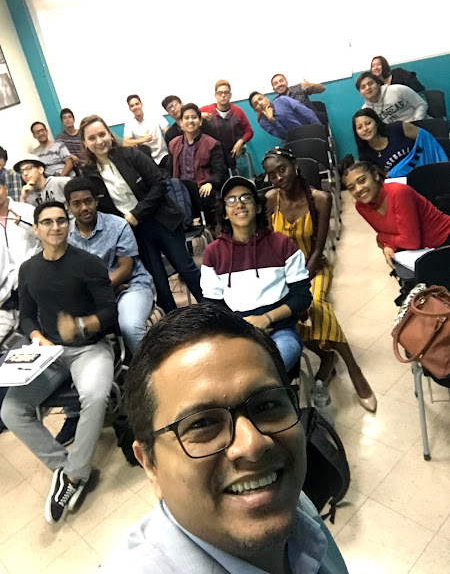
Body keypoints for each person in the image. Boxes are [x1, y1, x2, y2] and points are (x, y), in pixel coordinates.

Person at [105, 303, 349, 573]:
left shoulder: (284, 499)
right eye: (202, 423)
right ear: (150, 464)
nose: (253, 444)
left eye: (267, 405)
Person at [0, 200, 117, 525]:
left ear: (68, 225)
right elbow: (26, 316)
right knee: (11, 411)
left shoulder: (88, 263)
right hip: (49, 353)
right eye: (47, 222)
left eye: (61, 221)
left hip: (90, 348)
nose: (55, 227)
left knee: (95, 396)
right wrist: (37, 335)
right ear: (36, 229)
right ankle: (66, 467)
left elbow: (110, 312)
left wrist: (80, 325)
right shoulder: (29, 269)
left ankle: (75, 477)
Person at [264, 147, 376, 411]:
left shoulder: (320, 199)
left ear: (295, 165)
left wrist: (300, 284)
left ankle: (354, 369)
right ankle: (326, 358)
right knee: (287, 317)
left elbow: (317, 250)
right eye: (272, 175)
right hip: (282, 274)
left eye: (282, 169)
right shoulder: (270, 199)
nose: (279, 178)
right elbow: (268, 245)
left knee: (315, 305)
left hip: (313, 268)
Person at [56, 177, 155, 447]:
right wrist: (94, 293)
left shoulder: (117, 225)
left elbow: (125, 267)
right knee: (63, 332)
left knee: (130, 325)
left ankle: (155, 379)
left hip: (129, 287)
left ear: (96, 200)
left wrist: (100, 289)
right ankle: (74, 412)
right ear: (69, 206)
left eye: (88, 201)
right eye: (77, 204)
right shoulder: (66, 236)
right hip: (93, 296)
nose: (84, 208)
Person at [79, 114, 203, 314]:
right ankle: (174, 322)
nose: (99, 141)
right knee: (157, 278)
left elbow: (159, 184)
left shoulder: (131, 155)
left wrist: (137, 213)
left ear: (110, 134)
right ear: (85, 143)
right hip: (133, 232)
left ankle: (213, 311)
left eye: (102, 134)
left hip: (161, 218)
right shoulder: (88, 173)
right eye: (92, 138)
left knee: (185, 267)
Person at [201, 176, 311, 372]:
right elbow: (212, 305)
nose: (239, 204)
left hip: (280, 329)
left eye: (246, 197)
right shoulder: (213, 253)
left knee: (275, 360)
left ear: (258, 207)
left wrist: (266, 318)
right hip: (237, 333)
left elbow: (302, 297)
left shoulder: (282, 244)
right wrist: (244, 328)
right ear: (224, 213)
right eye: (231, 200)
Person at [343, 161, 450, 271]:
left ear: (375, 175)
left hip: (444, 240)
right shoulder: (361, 207)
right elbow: (392, 233)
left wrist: (381, 238)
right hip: (420, 252)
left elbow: (411, 242)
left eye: (362, 180)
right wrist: (390, 245)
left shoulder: (399, 192)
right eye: (351, 187)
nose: (358, 189)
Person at [169, 103, 228, 225]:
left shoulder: (212, 144)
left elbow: (219, 171)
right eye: (186, 118)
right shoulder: (173, 144)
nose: (190, 121)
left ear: (200, 121)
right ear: (181, 123)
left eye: (194, 117)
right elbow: (169, 170)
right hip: (180, 190)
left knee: (209, 197)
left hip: (202, 188)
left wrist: (210, 183)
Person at [0, 175, 41, 342]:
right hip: (5, 291)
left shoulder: (25, 210)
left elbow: (45, 235)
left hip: (32, 281)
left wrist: (22, 223)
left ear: (5, 188)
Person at [352, 108, 448, 177]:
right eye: (359, 127)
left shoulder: (397, 128)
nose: (365, 129)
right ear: (356, 132)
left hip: (429, 166)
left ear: (376, 122)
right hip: (408, 184)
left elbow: (426, 140)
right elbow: (386, 176)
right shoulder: (365, 156)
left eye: (368, 123)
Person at [200, 80, 254, 167]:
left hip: (230, 150)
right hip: (211, 151)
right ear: (215, 95)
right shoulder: (207, 110)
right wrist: (199, 115)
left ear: (230, 95)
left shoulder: (238, 111)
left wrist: (240, 142)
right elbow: (187, 115)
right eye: (220, 93)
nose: (223, 95)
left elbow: (249, 131)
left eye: (226, 92)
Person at [355, 72, 428, 124]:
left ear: (378, 84)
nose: (368, 88)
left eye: (370, 84)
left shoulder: (397, 90)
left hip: (420, 124)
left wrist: (416, 122)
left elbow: (421, 104)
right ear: (360, 93)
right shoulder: (366, 110)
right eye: (363, 87)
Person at [123, 94, 170, 174]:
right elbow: (125, 143)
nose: (135, 107)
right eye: (132, 106)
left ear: (141, 104)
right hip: (146, 159)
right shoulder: (129, 123)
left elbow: (167, 132)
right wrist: (144, 139)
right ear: (130, 109)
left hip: (163, 154)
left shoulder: (155, 115)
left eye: (137, 104)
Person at [249, 91, 320, 140]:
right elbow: (284, 136)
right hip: (295, 141)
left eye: (261, 99)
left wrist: (319, 128)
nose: (260, 103)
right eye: (256, 104)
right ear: (256, 110)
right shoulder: (263, 123)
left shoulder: (282, 100)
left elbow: (307, 112)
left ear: (266, 98)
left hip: (311, 129)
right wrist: (272, 120)